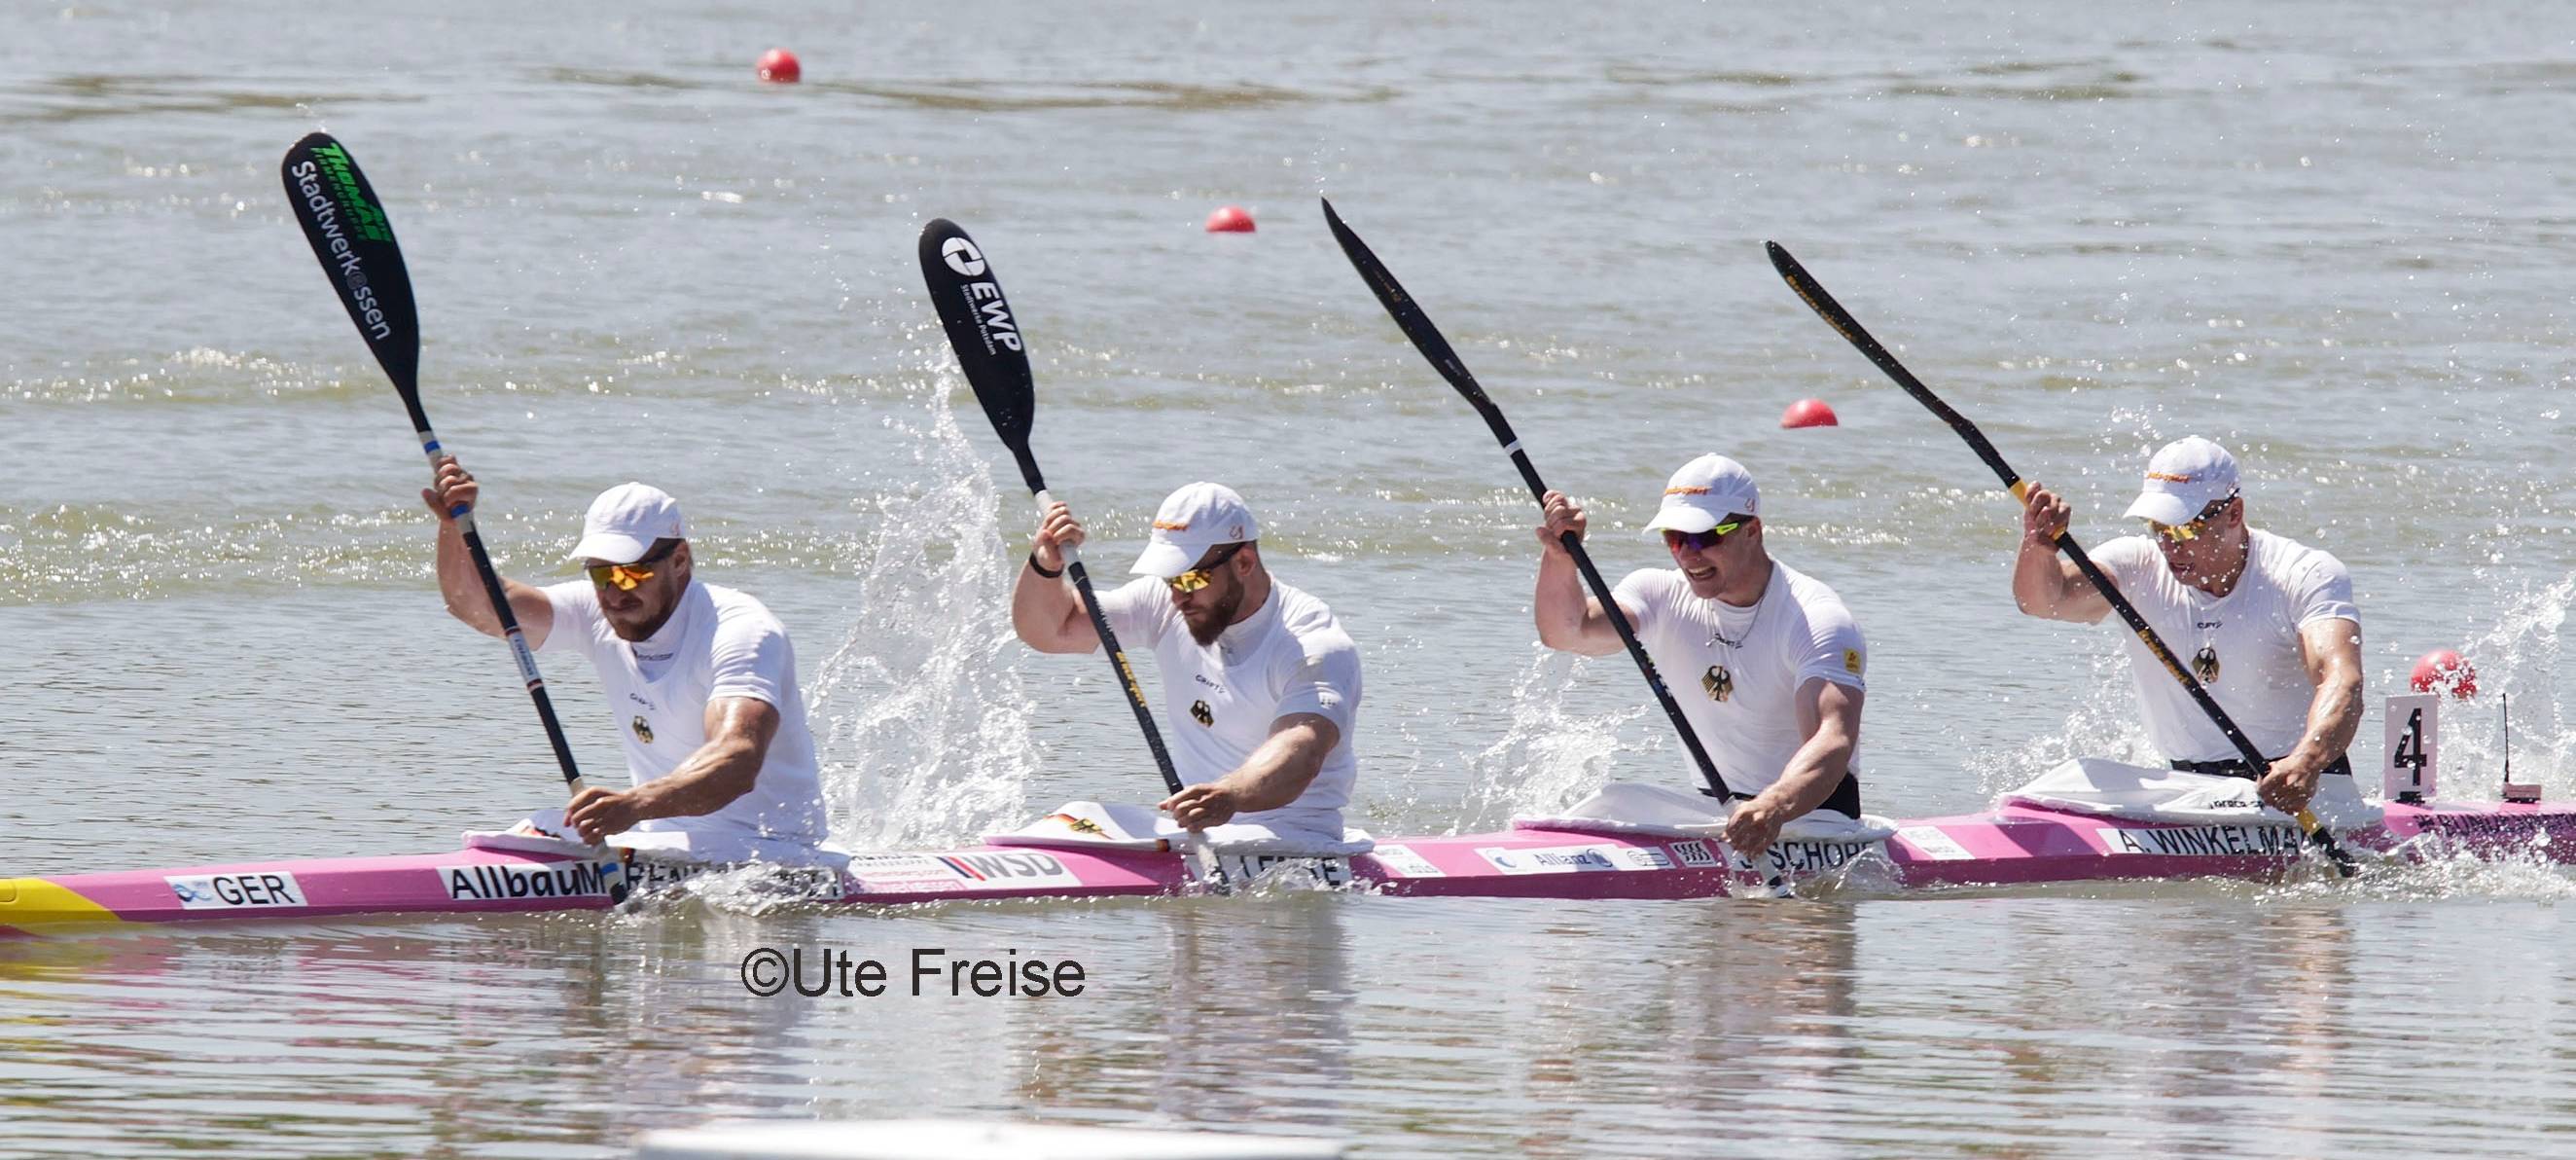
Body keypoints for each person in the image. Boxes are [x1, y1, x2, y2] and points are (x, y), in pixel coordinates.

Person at [424, 460, 830, 859]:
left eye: (631, 574)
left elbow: (736, 758)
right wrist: (454, 525)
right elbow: (477, 605)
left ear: (680, 560)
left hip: (769, 850)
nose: (614, 594)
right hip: (660, 838)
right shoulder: (594, 613)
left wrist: (634, 804)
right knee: (536, 829)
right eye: (601, 575)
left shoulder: (740, 631)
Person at [1533, 454, 1868, 856]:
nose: (1688, 555)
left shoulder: (1815, 618)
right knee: (1612, 798)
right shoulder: (1658, 593)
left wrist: (1773, 805)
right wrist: (1560, 558)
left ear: (1752, 531)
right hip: (1714, 813)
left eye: (1703, 537)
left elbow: (1833, 737)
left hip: (1813, 820)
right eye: (1674, 538)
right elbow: (1567, 632)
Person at [2012, 436, 2362, 815]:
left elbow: (2342, 681)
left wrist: (2306, 762)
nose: (2169, 545)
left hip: (2296, 789)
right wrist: (2040, 546)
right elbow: (2043, 601)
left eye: (2184, 529)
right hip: (2187, 789)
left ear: (2233, 513)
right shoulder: (2136, 565)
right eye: (2157, 527)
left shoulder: (2303, 573)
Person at [1011, 483, 1361, 844]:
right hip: (1199, 834)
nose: (1178, 596)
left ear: (1243, 562)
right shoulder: (1164, 602)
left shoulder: (1312, 645)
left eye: (1191, 578)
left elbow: (1300, 750)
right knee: (1079, 814)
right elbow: (1051, 631)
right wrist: (1046, 566)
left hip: (1294, 840)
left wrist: (1230, 795)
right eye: (1170, 579)